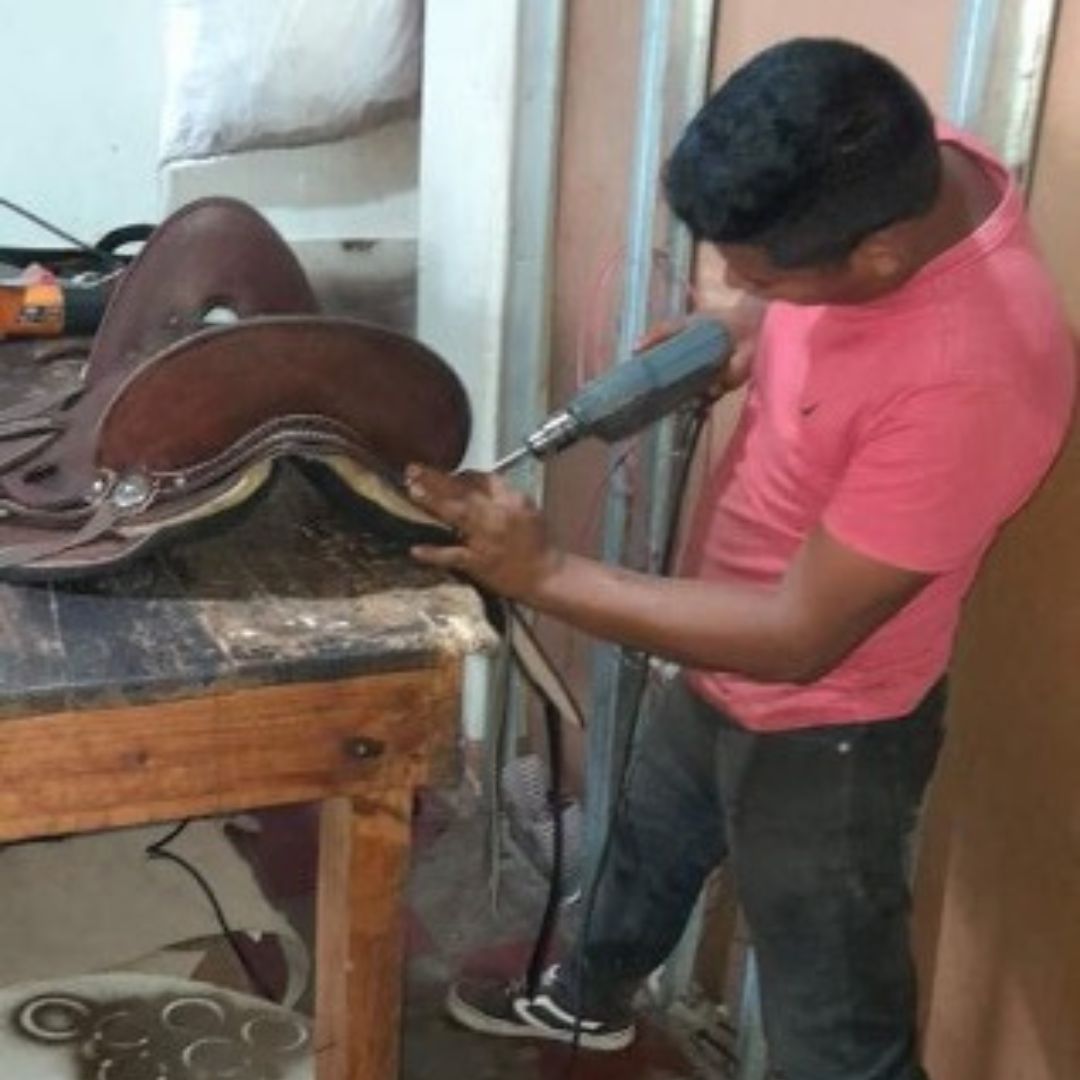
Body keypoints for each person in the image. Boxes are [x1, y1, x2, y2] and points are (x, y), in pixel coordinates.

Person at [404, 38, 1076, 1080]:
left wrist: (544, 578)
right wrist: (745, 327)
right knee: (645, 844)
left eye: (759, 274)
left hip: (826, 732)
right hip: (721, 647)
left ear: (878, 263)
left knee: (835, 1022)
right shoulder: (890, 155)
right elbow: (804, 300)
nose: (731, 283)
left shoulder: (978, 374)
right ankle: (585, 996)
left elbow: (803, 638)